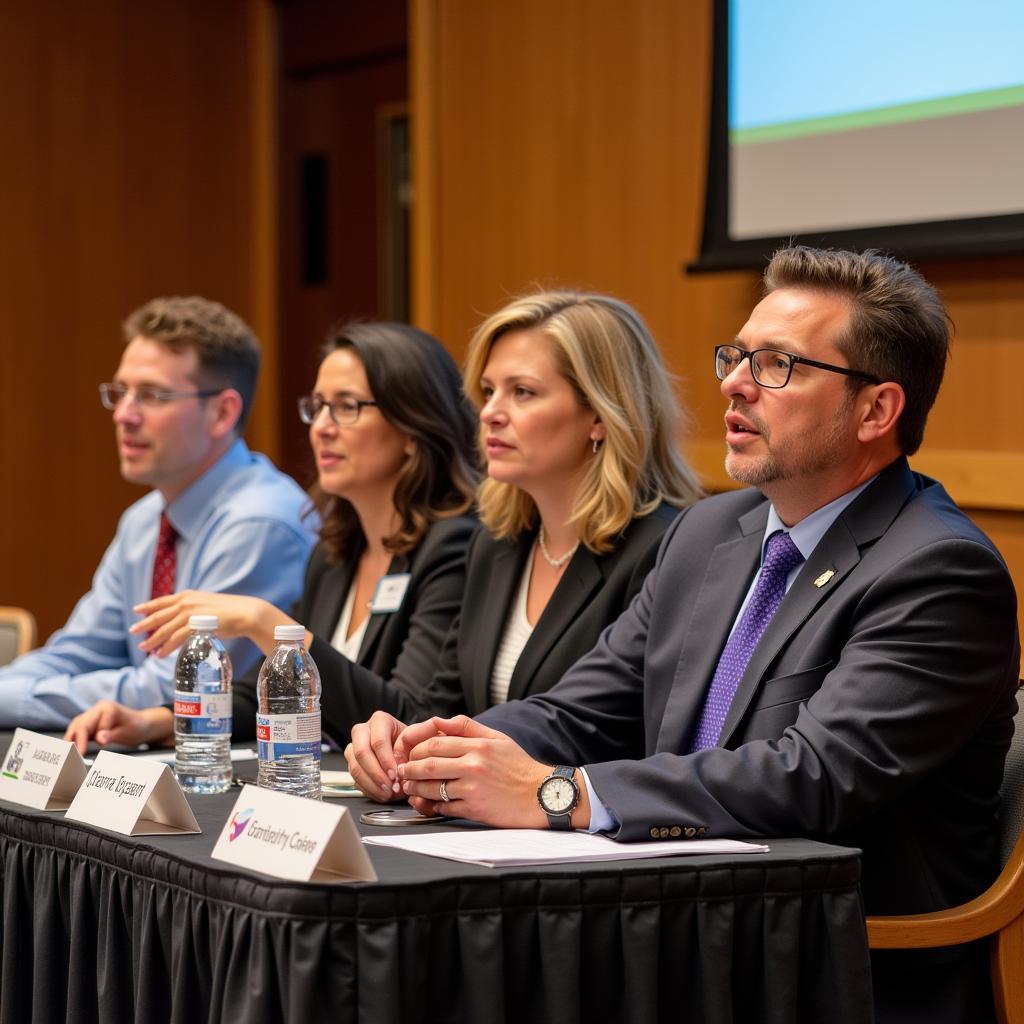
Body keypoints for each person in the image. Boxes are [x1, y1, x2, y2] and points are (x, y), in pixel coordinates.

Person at [362, 248, 1020, 1024]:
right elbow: (584, 709)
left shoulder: (938, 569)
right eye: (737, 356)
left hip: (831, 967)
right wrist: (437, 744)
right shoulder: (715, 530)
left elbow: (810, 777)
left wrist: (557, 793)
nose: (734, 384)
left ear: (876, 411)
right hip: (683, 934)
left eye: (777, 365)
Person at [63, 321, 479, 752]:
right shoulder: (337, 553)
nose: (321, 427)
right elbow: (266, 697)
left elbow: (408, 719)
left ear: (412, 427)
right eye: (317, 406)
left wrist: (265, 622)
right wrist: (154, 721)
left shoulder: (453, 549)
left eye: (347, 406)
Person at [344, 290, 702, 787]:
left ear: (600, 415)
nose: (490, 412)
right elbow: (443, 705)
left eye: (523, 392)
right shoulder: (496, 545)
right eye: (488, 391)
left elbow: (611, 729)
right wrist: (394, 740)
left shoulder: (664, 549)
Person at [0, 297, 315, 729]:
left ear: (222, 412)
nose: (124, 416)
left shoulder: (261, 524)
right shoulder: (144, 520)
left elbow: (180, 686)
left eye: (151, 395)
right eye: (121, 392)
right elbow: (79, 652)